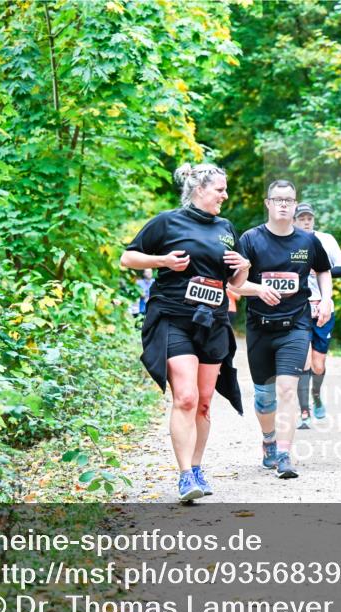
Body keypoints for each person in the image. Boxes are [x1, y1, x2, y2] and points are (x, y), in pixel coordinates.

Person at [120, 163, 251, 502]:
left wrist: (245, 269)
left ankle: (196, 468)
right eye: (220, 189)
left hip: (214, 322)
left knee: (204, 404)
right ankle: (183, 476)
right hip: (174, 316)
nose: (225, 195)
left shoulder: (226, 228)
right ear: (199, 190)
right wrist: (163, 261)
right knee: (186, 397)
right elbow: (127, 258)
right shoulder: (168, 221)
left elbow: (233, 283)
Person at [230, 180, 333, 479]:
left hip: (297, 324)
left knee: (287, 388)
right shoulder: (250, 239)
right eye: (278, 199)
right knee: (264, 397)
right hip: (260, 328)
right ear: (268, 204)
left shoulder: (308, 241)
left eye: (289, 200)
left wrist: (326, 298)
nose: (284, 205)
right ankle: (269, 440)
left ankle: (285, 454)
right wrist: (258, 290)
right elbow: (233, 283)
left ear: (295, 203)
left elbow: (323, 270)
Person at [291, 203, 341, 428]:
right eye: (302, 218)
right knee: (302, 361)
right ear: (294, 220)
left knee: (318, 364)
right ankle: (304, 411)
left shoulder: (326, 240)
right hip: (299, 308)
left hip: (324, 308)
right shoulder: (289, 240)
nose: (306, 221)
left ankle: (315, 396)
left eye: (309, 218)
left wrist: (322, 270)